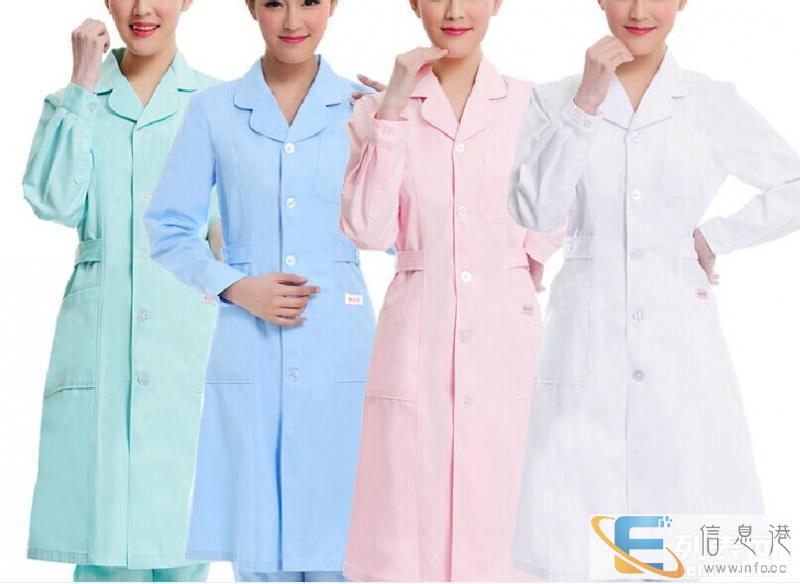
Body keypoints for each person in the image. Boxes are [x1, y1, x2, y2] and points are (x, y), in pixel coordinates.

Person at [508, 0, 800, 580]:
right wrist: (585, 104)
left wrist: (715, 237)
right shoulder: (555, 99)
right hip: (584, 345)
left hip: (681, 343)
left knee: (685, 536)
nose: (639, 10)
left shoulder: (710, 102)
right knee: (577, 550)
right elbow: (535, 212)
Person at [144, 0, 380, 581]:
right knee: (260, 552)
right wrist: (233, 286)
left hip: (339, 349)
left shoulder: (364, 108)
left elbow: (401, 233)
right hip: (248, 346)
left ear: (333, 5)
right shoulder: (214, 111)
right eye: (274, 2)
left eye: (310, 2)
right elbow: (169, 227)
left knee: (347, 549)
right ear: (251, 7)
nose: (293, 21)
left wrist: (399, 134)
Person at [338, 0, 562, 580]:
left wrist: (518, 268)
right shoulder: (376, 112)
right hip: (417, 341)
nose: (455, 10)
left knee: (505, 529)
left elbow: (557, 215)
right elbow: (368, 229)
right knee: (409, 535)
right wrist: (392, 108)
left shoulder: (535, 106)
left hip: (506, 344)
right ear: (414, 3)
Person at [22, 0, 220, 581]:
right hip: (103, 348)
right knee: (105, 556)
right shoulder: (77, 102)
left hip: (188, 348)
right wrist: (82, 84)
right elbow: (52, 199)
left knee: (185, 553)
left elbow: (232, 236)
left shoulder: (216, 105)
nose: (141, 9)